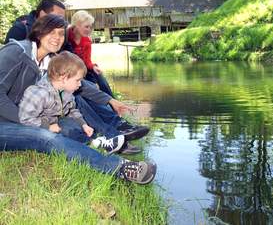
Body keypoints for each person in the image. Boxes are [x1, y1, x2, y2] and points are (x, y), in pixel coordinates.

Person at [0, 14, 156, 184]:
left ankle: (107, 141)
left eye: (61, 33)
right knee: (46, 137)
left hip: (25, 117)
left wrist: (110, 100)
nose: (57, 38)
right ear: (38, 32)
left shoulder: (49, 61)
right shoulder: (16, 52)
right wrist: (33, 122)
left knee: (69, 127)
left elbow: (79, 84)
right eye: (51, 32)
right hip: (6, 123)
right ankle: (121, 168)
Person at [19, 51, 125, 154]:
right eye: (77, 80)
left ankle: (96, 142)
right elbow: (25, 119)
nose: (80, 84)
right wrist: (48, 127)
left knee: (74, 126)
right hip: (35, 129)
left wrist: (83, 125)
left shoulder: (66, 92)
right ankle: (94, 144)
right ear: (63, 78)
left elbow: (72, 110)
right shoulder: (38, 93)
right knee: (66, 130)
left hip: (54, 122)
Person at [68, 10, 113, 97]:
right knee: (91, 86)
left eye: (90, 27)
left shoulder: (86, 40)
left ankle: (114, 103)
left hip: (84, 68)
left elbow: (87, 61)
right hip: (71, 69)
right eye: (86, 27)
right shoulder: (66, 36)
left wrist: (93, 67)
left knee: (100, 77)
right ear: (77, 25)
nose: (89, 30)